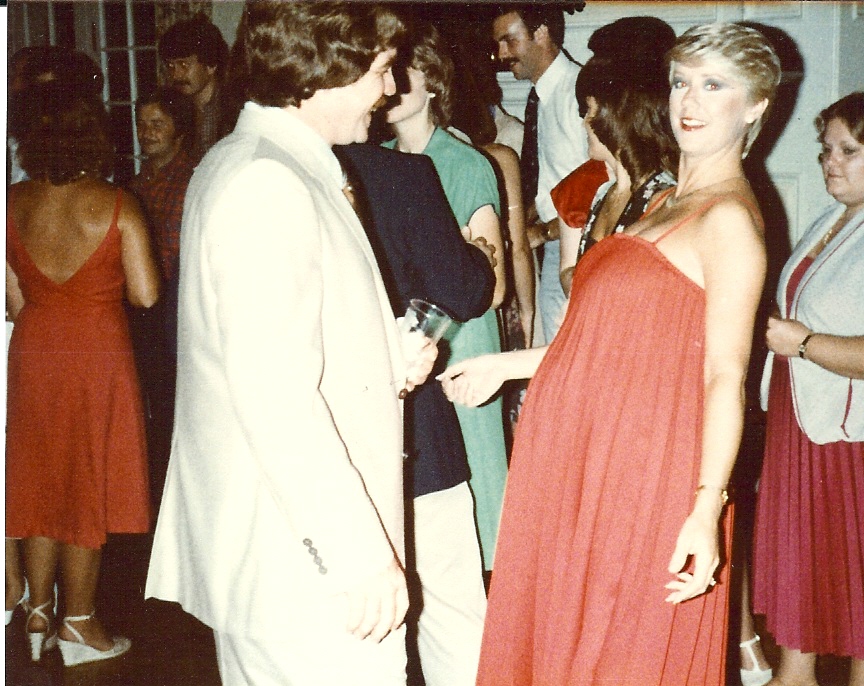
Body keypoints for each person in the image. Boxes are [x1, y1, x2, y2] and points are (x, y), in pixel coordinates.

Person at [440, 23, 780, 683]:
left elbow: (725, 376)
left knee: (620, 652)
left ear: (756, 106)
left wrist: (706, 508)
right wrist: (505, 365)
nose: (690, 101)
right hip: (595, 457)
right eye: (681, 81)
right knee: (571, 643)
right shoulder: (668, 200)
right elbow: (614, 347)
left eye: (715, 86)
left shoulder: (729, 220)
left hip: (650, 472)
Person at [145, 4, 438, 684]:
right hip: (303, 572)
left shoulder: (256, 160)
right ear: (324, 70)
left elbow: (269, 347)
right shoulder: (266, 181)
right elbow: (275, 400)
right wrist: (357, 553)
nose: (389, 88)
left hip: (285, 559)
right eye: (379, 70)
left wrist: (382, 356)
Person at [6, 85, 159, 666]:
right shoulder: (116, 203)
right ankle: (79, 621)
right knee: (87, 483)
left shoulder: (12, 202)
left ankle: (38, 610)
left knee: (41, 479)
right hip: (97, 354)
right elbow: (145, 294)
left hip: (36, 351)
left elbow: (13, 302)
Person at [336, 141, 495, 685]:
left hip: (323, 451)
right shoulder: (399, 172)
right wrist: (477, 255)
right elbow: (462, 289)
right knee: (453, 616)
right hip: (415, 434)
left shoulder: (258, 167)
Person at [384, 21, 508, 576]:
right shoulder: (378, 161)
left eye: (403, 72)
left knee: (477, 483)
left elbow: (494, 287)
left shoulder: (465, 164)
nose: (390, 84)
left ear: (433, 82)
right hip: (408, 346)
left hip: (462, 345)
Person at [752, 91, 864, 686]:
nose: (830, 162)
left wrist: (804, 343)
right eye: (826, 150)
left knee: (853, 584)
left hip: (847, 442)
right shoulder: (834, 218)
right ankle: (791, 676)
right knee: (804, 570)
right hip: (800, 425)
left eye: (849, 150)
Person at [556, 19, 678, 294]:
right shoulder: (602, 194)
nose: (584, 124)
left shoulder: (661, 197)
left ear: (617, 116)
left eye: (589, 111)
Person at [491, 4, 587, 344]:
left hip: (577, 252)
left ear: (541, 33)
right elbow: (551, 184)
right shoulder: (544, 96)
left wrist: (542, 233)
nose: (502, 53)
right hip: (557, 247)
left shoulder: (576, 92)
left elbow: (596, 188)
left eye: (509, 40)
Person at [127, 87, 198, 500]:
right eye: (142, 124)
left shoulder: (191, 179)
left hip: (175, 308)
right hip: (142, 309)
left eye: (157, 124)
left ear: (179, 130)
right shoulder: (136, 184)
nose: (147, 132)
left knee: (173, 407)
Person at [158, 14, 237, 159]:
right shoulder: (175, 109)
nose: (175, 75)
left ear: (210, 65)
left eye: (184, 64)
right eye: (170, 66)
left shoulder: (233, 110)